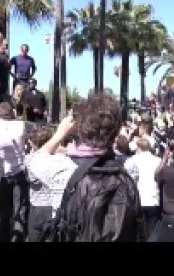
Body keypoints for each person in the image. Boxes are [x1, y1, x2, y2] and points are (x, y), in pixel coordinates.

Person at [30, 93, 142, 242]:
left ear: (79, 129)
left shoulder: (62, 168)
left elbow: (35, 161)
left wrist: (59, 133)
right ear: (115, 130)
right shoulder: (129, 166)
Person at [0, 102, 28, 241]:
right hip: (19, 171)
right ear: (12, 113)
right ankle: (17, 238)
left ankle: (3, 237)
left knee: (3, 211)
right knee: (19, 209)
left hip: (3, 175)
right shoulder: (20, 125)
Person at [124, 138, 161, 240]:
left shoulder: (131, 160)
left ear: (138, 147)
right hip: (153, 198)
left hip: (138, 200)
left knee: (138, 233)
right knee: (152, 230)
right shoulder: (158, 160)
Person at [24, 127, 54, 242]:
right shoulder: (58, 159)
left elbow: (28, 179)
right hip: (53, 204)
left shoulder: (29, 159)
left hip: (37, 206)